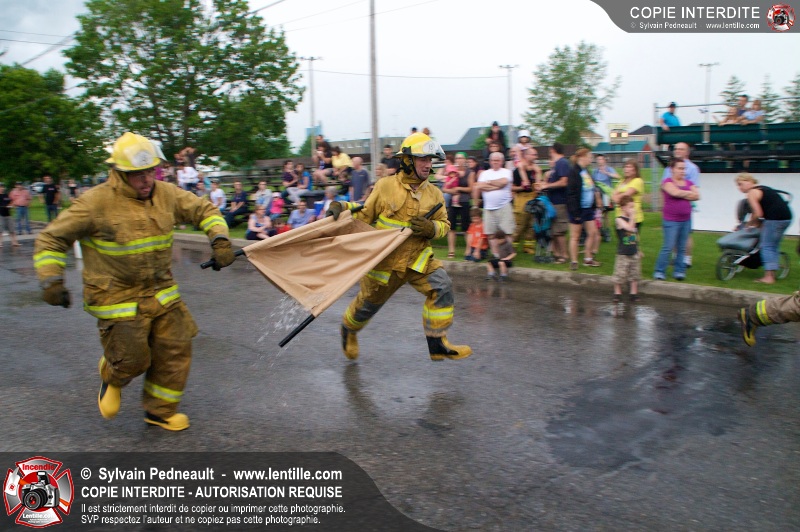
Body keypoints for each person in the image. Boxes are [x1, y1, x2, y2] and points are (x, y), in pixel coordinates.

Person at [33, 132, 234, 431]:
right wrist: (51, 280)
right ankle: (112, 372)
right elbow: (51, 239)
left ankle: (159, 412)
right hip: (117, 297)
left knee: (176, 348)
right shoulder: (95, 203)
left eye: (150, 171)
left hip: (161, 291)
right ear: (119, 172)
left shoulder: (166, 194)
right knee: (133, 360)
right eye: (138, 174)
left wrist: (219, 239)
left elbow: (204, 209)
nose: (146, 180)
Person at [326, 132, 471, 362]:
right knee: (366, 308)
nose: (428, 164)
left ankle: (437, 343)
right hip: (384, 264)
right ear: (407, 160)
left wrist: (431, 228)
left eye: (430, 159)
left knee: (442, 286)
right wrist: (341, 207)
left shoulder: (435, 194)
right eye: (422, 159)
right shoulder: (385, 186)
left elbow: (444, 225)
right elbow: (364, 214)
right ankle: (348, 329)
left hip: (417, 260)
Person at [735, 173, 792, 284]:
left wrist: (749, 224)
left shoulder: (752, 193)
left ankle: (769, 277)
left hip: (774, 220)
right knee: (773, 245)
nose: (739, 187)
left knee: (767, 246)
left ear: (749, 181)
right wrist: (757, 223)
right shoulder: (763, 189)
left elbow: (758, 213)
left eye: (740, 184)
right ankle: (773, 269)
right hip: (786, 218)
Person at [653, 158, 699, 281]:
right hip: (671, 220)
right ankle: (659, 271)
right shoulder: (667, 182)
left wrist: (682, 193)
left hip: (686, 219)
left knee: (682, 247)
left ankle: (679, 271)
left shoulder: (689, 182)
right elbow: (674, 193)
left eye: (684, 168)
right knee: (668, 246)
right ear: (672, 169)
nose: (682, 171)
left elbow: (697, 195)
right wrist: (688, 193)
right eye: (679, 168)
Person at [661, 142, 701, 267]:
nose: (678, 151)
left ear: (687, 152)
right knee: (672, 235)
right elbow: (664, 187)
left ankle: (686, 259)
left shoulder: (692, 168)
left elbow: (693, 190)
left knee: (686, 235)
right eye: (676, 149)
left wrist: (678, 192)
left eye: (681, 149)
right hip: (670, 207)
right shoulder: (668, 169)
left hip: (685, 207)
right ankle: (675, 257)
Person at [566, 148, 602, 270]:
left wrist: (595, 202)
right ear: (582, 157)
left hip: (588, 208)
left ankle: (588, 258)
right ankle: (574, 261)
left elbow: (592, 188)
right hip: (577, 209)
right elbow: (571, 194)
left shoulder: (586, 171)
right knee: (575, 236)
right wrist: (575, 212)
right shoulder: (574, 172)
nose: (591, 160)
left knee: (592, 233)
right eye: (589, 157)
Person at [475, 152, 515, 260]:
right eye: (493, 160)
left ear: (502, 161)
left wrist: (488, 183)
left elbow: (504, 182)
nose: (495, 162)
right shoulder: (484, 173)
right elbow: (480, 186)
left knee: (507, 232)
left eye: (497, 160)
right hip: (488, 207)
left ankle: (508, 256)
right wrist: (496, 186)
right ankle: (496, 255)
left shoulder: (507, 172)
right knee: (490, 233)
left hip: (504, 206)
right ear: (490, 161)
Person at [535, 143, 570, 263]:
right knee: (554, 230)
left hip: (560, 201)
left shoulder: (562, 163)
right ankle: (557, 254)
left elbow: (564, 182)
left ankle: (564, 255)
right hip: (552, 201)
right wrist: (543, 185)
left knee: (559, 231)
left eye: (550, 151)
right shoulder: (556, 164)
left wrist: (547, 186)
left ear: (553, 150)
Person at [511, 147, 542, 254]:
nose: (536, 157)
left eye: (536, 155)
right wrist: (521, 187)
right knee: (520, 224)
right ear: (526, 155)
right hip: (521, 198)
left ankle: (528, 247)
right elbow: (512, 188)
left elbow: (538, 183)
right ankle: (513, 247)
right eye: (533, 155)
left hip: (533, 197)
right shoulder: (517, 171)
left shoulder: (535, 170)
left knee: (531, 224)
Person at [443, 152, 473, 259]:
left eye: (461, 158)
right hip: (453, 202)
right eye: (457, 158)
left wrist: (459, 189)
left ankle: (468, 250)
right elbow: (445, 188)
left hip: (464, 201)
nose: (459, 160)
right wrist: (452, 191)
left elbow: (470, 188)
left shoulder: (470, 173)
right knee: (451, 227)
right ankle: (451, 250)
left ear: (465, 160)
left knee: (466, 227)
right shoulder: (451, 171)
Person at [612, 197, 641, 302]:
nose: (633, 209)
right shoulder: (619, 220)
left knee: (634, 273)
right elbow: (629, 228)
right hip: (623, 252)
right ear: (623, 207)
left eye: (633, 207)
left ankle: (633, 293)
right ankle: (617, 293)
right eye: (630, 207)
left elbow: (635, 235)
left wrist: (638, 249)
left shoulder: (632, 220)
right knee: (620, 273)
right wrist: (633, 216)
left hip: (633, 251)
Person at [611, 159, 646, 229]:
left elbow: (625, 197)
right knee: (621, 236)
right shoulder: (622, 181)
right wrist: (617, 197)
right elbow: (613, 196)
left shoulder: (637, 181)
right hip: (620, 215)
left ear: (635, 170)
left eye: (629, 167)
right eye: (625, 167)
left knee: (630, 236)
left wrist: (618, 196)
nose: (626, 169)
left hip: (632, 217)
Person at [0, 183, 21, 247]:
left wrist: (11, 205)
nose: (2, 188)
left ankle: (14, 242)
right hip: (1, 214)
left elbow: (10, 202)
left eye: (2, 187)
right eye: (1, 187)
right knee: (1, 230)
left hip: (8, 214)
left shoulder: (6, 195)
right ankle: (0, 243)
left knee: (12, 229)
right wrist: (4, 206)